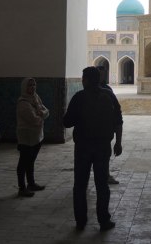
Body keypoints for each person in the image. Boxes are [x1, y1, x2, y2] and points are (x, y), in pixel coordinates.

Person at [63, 66, 123, 232]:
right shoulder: (109, 95)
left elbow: (67, 122)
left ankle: (81, 221)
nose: (82, 81)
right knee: (102, 184)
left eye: (83, 78)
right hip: (103, 147)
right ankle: (104, 220)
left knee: (80, 185)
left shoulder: (79, 97)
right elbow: (118, 120)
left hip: (83, 147)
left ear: (87, 80)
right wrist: (118, 142)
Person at [16, 77, 50, 197]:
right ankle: (22, 187)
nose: (32, 87)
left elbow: (46, 111)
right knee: (23, 162)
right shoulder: (23, 103)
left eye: (34, 85)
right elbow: (33, 119)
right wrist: (41, 115)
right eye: (30, 85)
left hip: (36, 136)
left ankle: (31, 183)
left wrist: (41, 114)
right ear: (25, 87)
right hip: (26, 136)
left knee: (30, 161)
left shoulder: (36, 98)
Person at [97, 66, 120, 185]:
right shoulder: (82, 95)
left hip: (104, 135)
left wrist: (118, 141)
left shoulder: (108, 91)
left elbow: (117, 116)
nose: (103, 77)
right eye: (100, 75)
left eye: (104, 74)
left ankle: (105, 176)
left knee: (104, 158)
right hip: (88, 138)